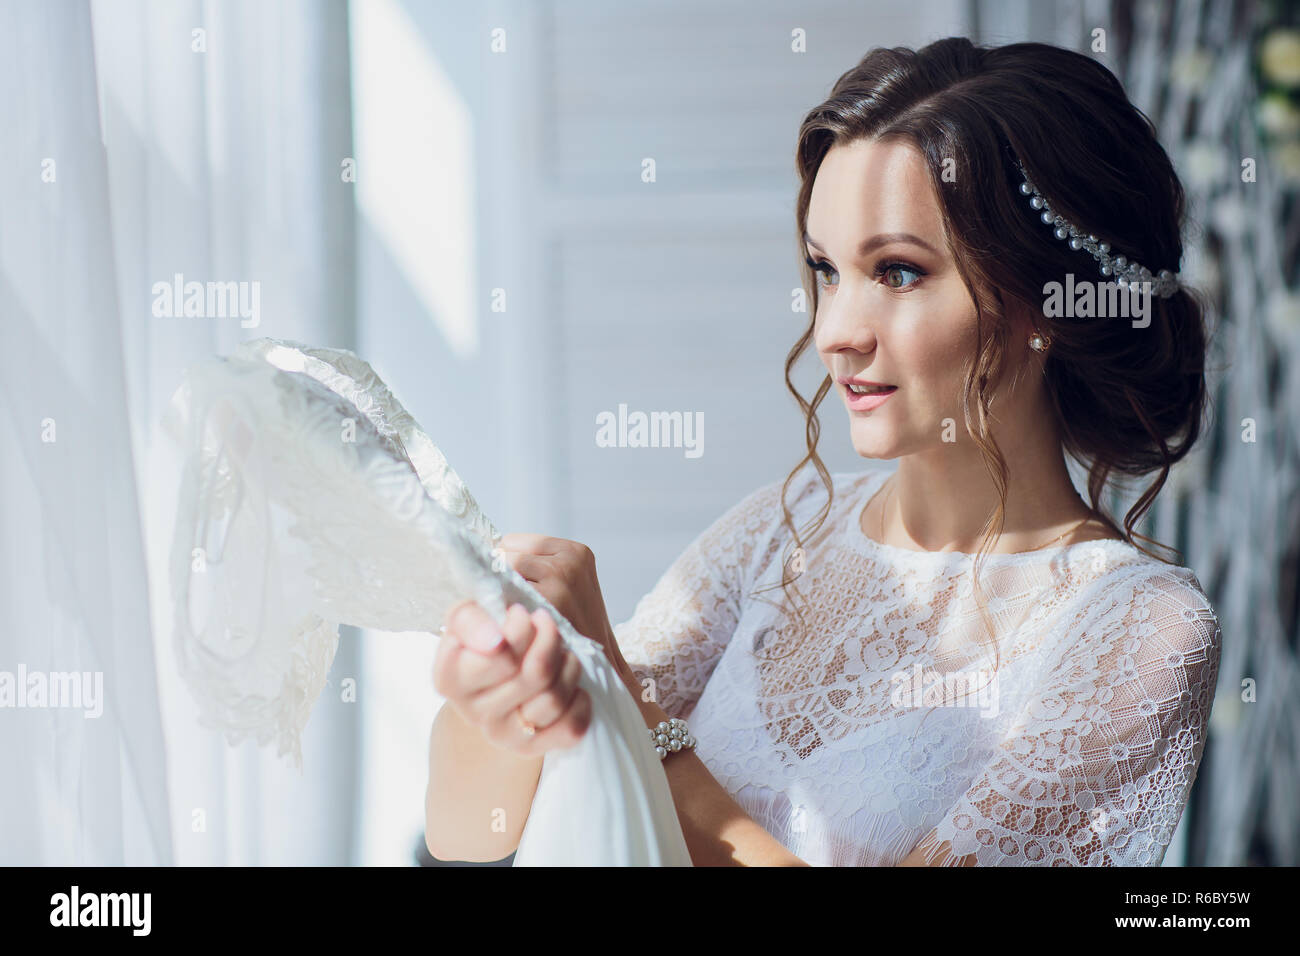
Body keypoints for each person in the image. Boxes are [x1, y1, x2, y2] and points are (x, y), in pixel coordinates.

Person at [424, 37, 1222, 867]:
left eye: (900, 273)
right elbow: (467, 835)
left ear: (1044, 303)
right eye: (827, 269)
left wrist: (625, 701)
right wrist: (510, 693)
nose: (835, 333)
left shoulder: (1141, 630)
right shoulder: (780, 530)